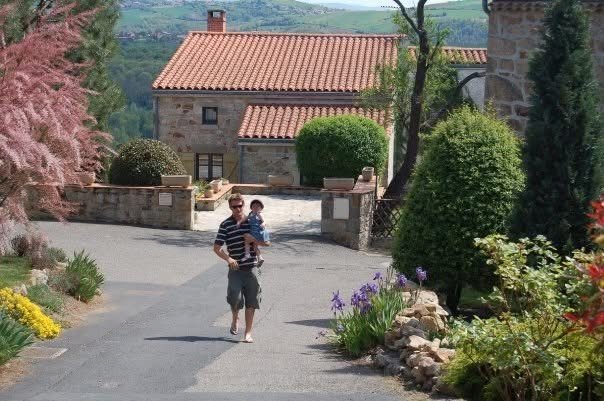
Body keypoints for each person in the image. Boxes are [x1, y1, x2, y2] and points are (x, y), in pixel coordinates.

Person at [213, 193, 261, 343]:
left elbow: (266, 242)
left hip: (252, 267)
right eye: (235, 206)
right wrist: (229, 258)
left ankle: (248, 333)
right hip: (235, 269)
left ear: (243, 205)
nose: (238, 209)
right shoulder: (225, 224)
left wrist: (255, 239)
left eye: (240, 205)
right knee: (235, 298)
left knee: (252, 301)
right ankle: (235, 317)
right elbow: (217, 248)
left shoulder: (252, 222)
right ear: (230, 207)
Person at [240, 199, 271, 267]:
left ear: (261, 208)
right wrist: (241, 221)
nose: (256, 208)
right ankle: (260, 258)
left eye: (258, 206)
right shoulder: (251, 214)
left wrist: (263, 224)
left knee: (247, 241)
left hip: (256, 233)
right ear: (251, 208)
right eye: (254, 206)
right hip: (253, 232)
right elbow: (246, 218)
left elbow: (264, 221)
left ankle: (247, 254)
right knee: (255, 246)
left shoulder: (259, 214)